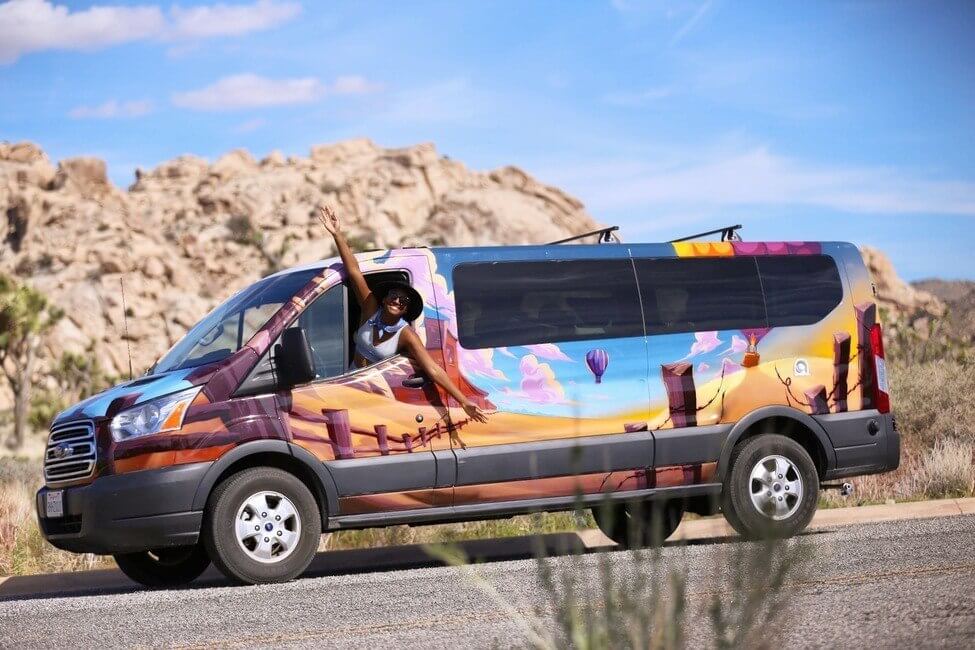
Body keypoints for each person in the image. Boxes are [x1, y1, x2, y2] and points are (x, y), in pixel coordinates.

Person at [317, 205, 488, 424]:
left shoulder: (406, 334)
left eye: (403, 301)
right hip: (352, 385)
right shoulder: (370, 309)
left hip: (378, 396)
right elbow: (354, 272)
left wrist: (464, 401)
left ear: (406, 310)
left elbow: (433, 369)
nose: (397, 301)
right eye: (393, 296)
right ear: (385, 298)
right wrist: (338, 234)